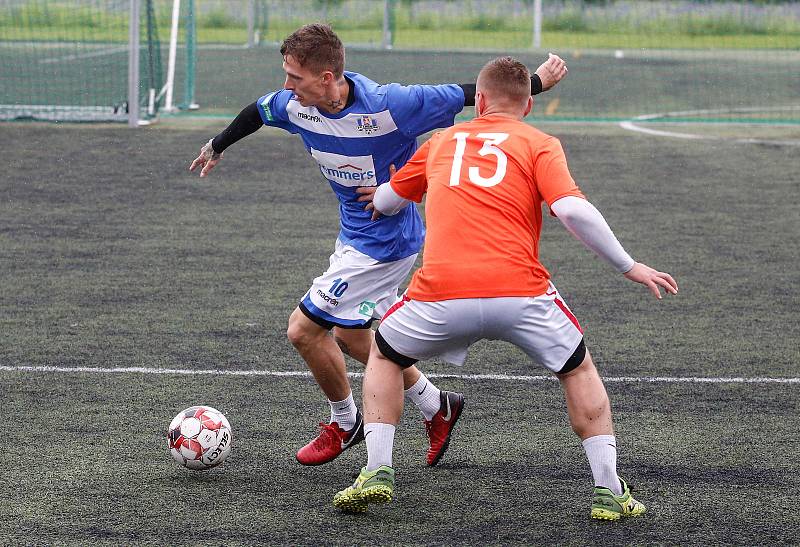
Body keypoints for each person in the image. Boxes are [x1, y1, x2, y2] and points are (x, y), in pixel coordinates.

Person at [189, 24, 568, 468]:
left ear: (328, 77)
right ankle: (437, 406)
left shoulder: (393, 105)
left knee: (303, 330)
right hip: (354, 236)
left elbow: (469, 94)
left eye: (295, 77)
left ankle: (345, 420)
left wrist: (536, 82)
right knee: (352, 336)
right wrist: (218, 144)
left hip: (385, 243)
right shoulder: (294, 105)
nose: (286, 87)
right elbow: (256, 111)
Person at [333, 56, 678, 520]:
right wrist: (629, 265)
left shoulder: (441, 141)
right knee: (576, 370)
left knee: (386, 355)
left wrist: (378, 195)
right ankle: (609, 492)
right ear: (529, 106)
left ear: (478, 101)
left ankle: (377, 471)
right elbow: (572, 211)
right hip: (521, 294)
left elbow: (392, 200)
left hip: (439, 295)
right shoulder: (540, 142)